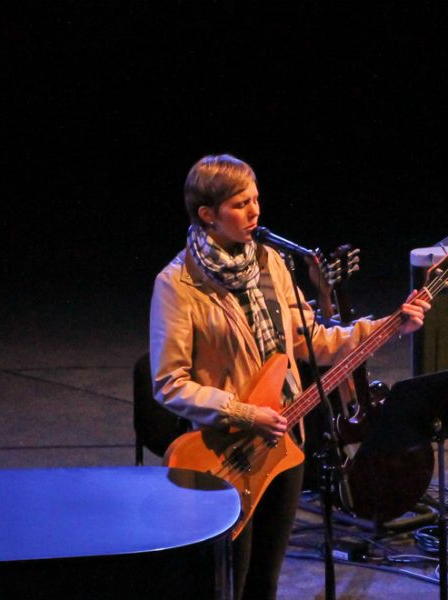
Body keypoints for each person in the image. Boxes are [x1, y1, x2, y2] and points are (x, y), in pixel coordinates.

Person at [150, 154, 431, 598]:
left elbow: (312, 341)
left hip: (285, 443)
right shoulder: (178, 284)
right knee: (230, 584)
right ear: (208, 215)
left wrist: (390, 325)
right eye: (241, 204)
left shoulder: (271, 264)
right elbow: (169, 383)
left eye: (256, 199)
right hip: (228, 450)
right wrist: (246, 414)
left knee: (265, 582)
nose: (255, 211)